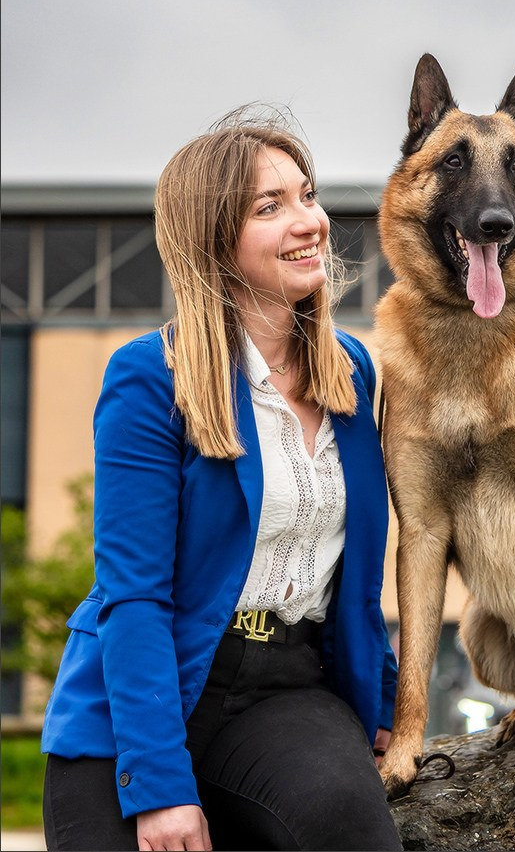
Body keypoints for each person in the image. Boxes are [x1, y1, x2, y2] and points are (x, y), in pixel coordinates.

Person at [40, 108, 403, 852]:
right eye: (269, 208)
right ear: (215, 242)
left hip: (286, 687)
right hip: (142, 691)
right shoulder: (150, 376)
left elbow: (360, 579)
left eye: (307, 195)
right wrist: (162, 789)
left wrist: (389, 699)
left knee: (353, 829)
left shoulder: (354, 374)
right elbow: (134, 595)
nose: (309, 222)